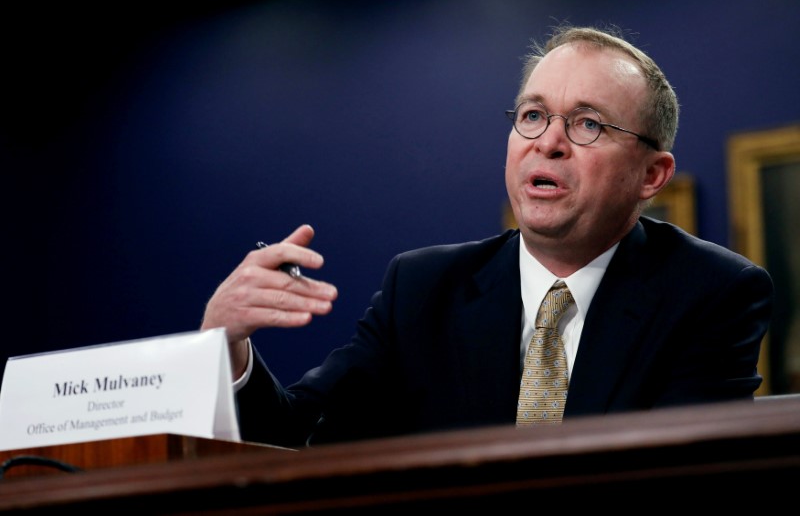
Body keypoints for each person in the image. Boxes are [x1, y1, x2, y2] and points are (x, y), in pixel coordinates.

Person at [200, 25, 774, 448]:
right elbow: (294, 437)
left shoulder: (712, 292)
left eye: (588, 123)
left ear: (652, 176)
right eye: (532, 115)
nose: (547, 143)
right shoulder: (422, 289)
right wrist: (226, 345)